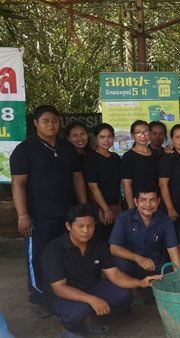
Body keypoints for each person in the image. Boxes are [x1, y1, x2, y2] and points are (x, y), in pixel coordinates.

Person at [10, 105, 87, 315]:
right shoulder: (25, 149)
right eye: (45, 121)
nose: (51, 124)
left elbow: (77, 178)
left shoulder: (67, 148)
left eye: (54, 120)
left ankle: (64, 293)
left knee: (66, 256)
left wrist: (83, 208)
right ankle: (40, 297)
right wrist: (23, 215)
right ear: (36, 123)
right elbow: (17, 184)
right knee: (38, 257)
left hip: (67, 215)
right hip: (38, 216)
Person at [41, 204, 161, 338]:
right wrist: (92, 300)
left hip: (91, 286)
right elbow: (60, 288)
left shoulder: (98, 244)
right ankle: (69, 327)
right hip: (61, 295)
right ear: (69, 226)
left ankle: (90, 317)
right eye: (80, 226)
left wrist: (140, 283)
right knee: (80, 310)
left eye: (90, 226)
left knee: (124, 295)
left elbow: (114, 274)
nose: (86, 230)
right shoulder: (54, 250)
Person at [109, 188, 180, 304]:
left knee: (167, 280)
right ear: (135, 201)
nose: (148, 205)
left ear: (158, 202)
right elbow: (114, 248)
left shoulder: (165, 220)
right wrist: (138, 258)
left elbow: (173, 251)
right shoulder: (124, 218)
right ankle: (130, 291)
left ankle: (146, 292)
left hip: (154, 266)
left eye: (152, 200)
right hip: (132, 266)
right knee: (121, 263)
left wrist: (179, 278)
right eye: (143, 200)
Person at [85, 123, 122, 242]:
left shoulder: (115, 158)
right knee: (101, 240)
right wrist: (105, 209)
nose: (106, 140)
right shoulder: (91, 158)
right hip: (100, 209)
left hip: (116, 206)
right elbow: (93, 187)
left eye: (109, 136)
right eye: (102, 137)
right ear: (96, 138)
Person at [121, 120, 158, 209]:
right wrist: (131, 207)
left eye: (146, 132)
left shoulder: (155, 153)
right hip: (137, 203)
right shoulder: (128, 156)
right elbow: (127, 184)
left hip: (153, 201)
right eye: (138, 132)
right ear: (132, 135)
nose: (142, 135)